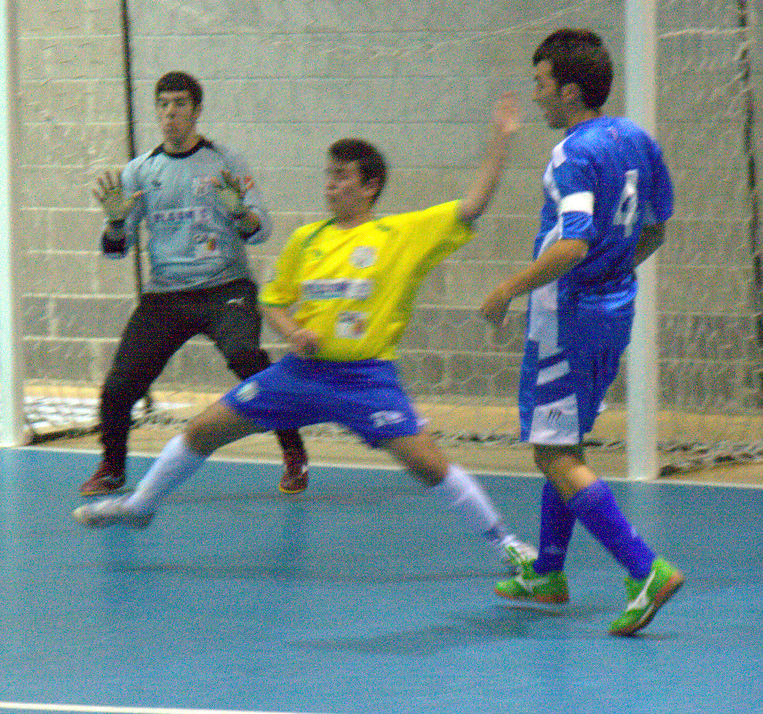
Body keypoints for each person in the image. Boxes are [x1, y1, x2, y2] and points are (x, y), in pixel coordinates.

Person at [75, 96, 539, 573]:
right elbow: (273, 299)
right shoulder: (308, 240)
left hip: (366, 379)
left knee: (427, 464)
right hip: (301, 373)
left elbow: (473, 205)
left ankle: (507, 544)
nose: (331, 185)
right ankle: (141, 506)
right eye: (329, 175)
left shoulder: (402, 235)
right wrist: (292, 331)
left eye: (342, 177)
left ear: (370, 186)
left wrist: (500, 141)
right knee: (203, 429)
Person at [481, 29, 684, 637]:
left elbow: (573, 242)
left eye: (542, 83)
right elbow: (656, 229)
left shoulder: (572, 154)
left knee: (551, 451)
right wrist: (613, 273)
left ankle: (644, 569)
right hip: (615, 308)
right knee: (564, 441)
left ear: (569, 91)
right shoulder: (636, 139)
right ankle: (547, 573)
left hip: (567, 317)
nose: (536, 95)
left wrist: (505, 290)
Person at [84, 71, 308, 498]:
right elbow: (117, 249)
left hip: (225, 287)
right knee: (118, 386)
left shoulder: (226, 163)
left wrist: (240, 213)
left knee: (247, 357)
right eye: (163, 103)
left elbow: (261, 230)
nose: (171, 112)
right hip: (166, 295)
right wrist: (115, 223)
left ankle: (293, 451)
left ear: (197, 110)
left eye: (181, 103)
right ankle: (112, 467)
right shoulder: (139, 172)